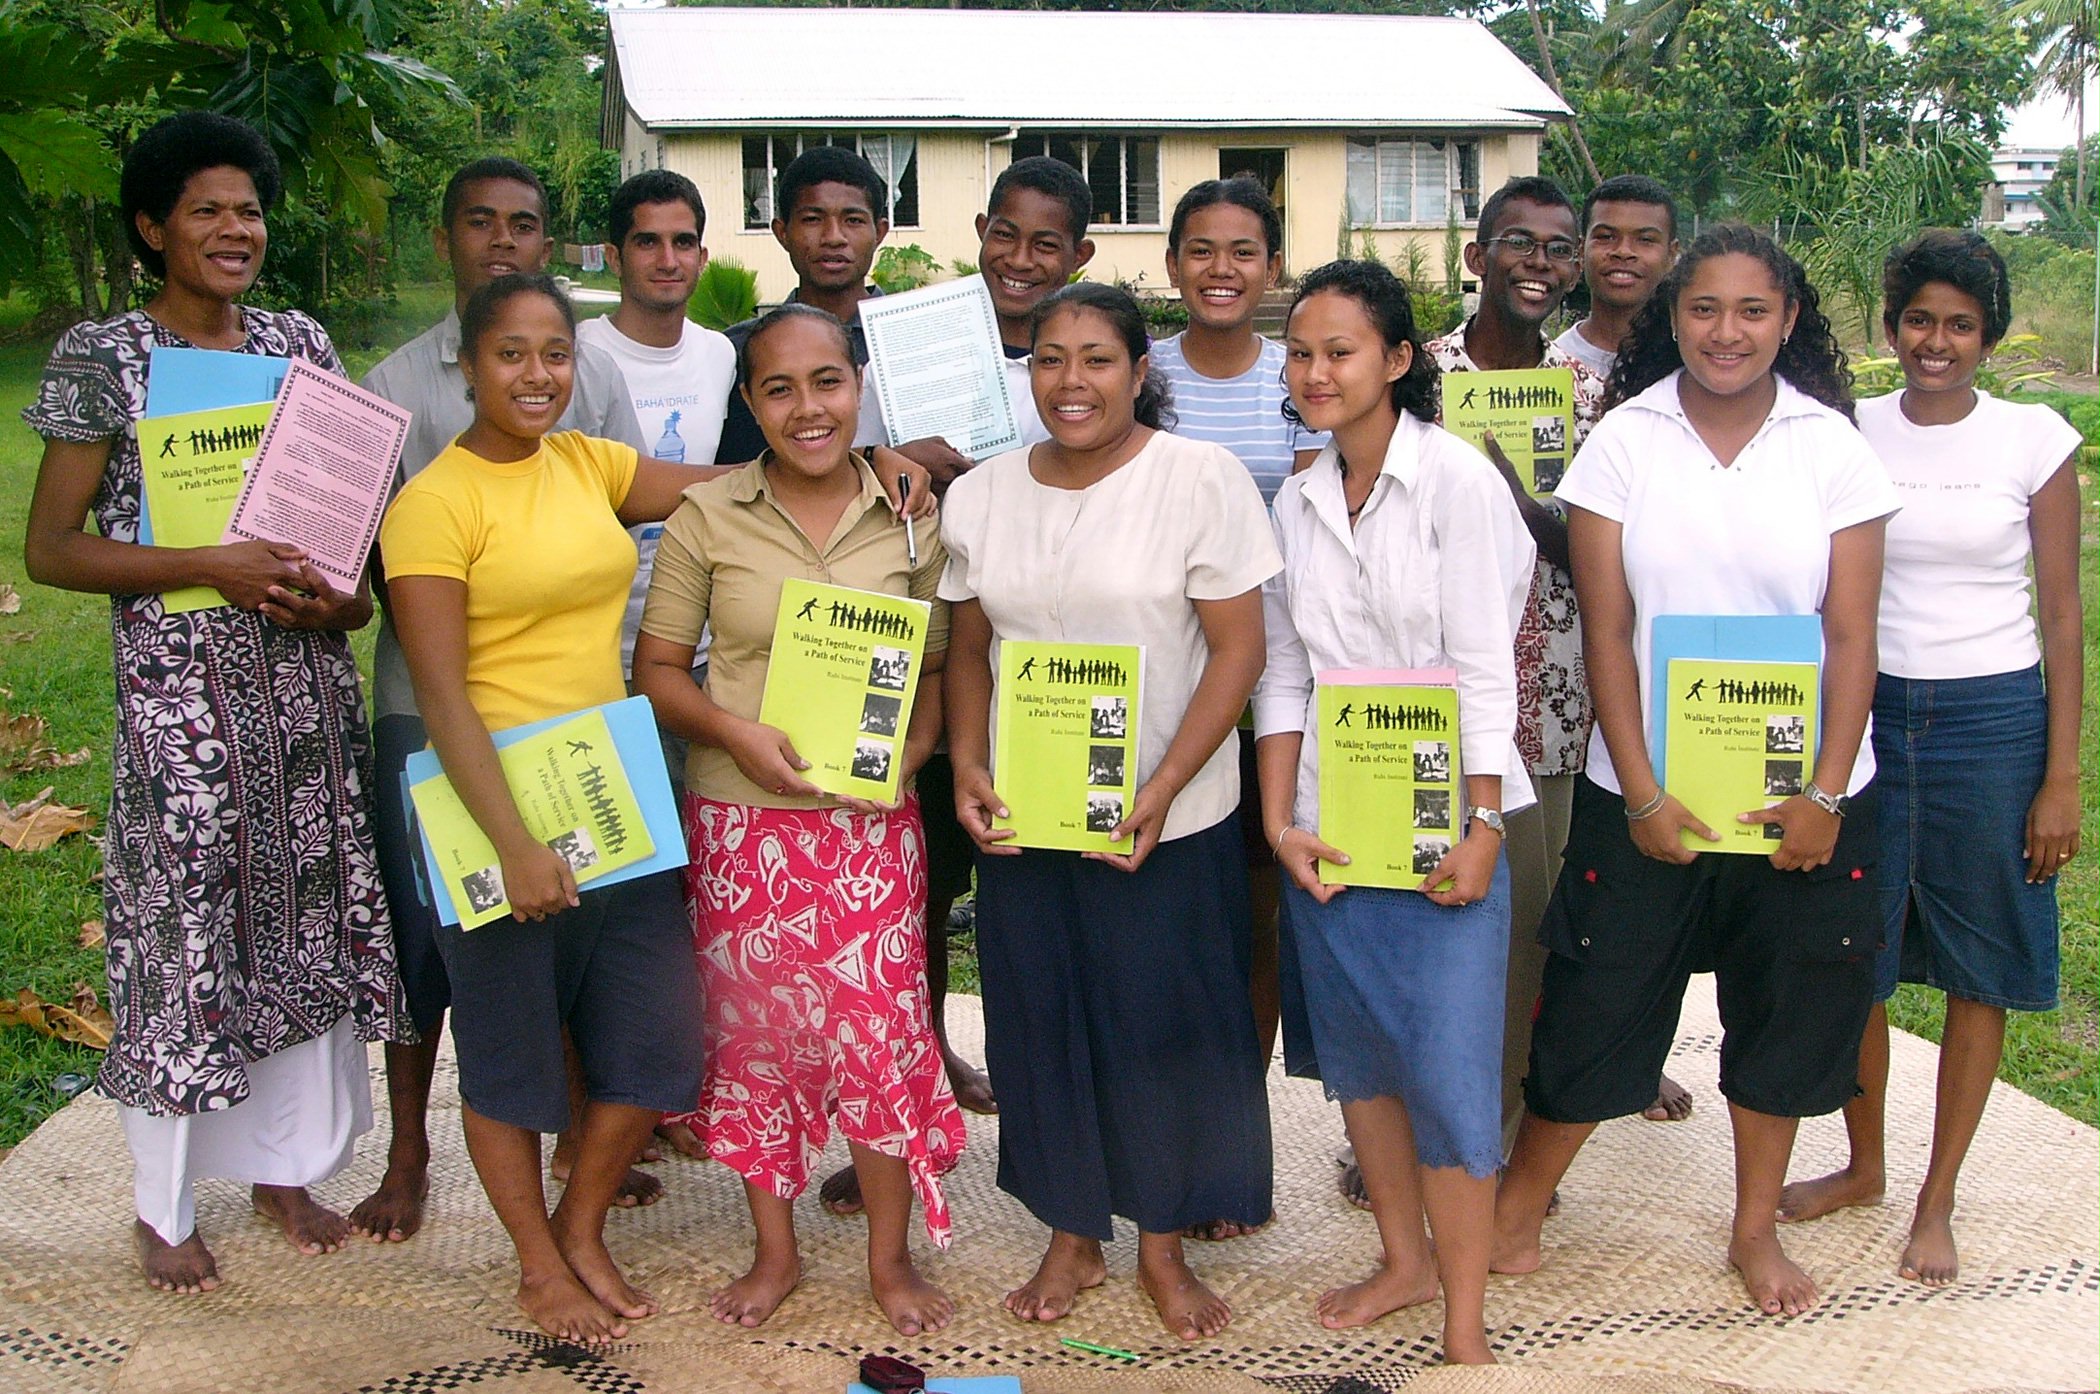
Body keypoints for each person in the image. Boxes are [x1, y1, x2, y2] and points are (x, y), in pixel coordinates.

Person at [21, 111, 405, 1294]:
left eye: (247, 208)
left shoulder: (299, 340)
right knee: (187, 938)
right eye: (206, 210)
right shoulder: (107, 358)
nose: (235, 229)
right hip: (183, 706)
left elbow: (349, 533)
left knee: (298, 930)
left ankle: (285, 1167)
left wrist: (338, 606)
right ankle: (163, 1201)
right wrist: (210, 565)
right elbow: (52, 549)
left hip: (301, 695)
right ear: (152, 227)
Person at [1491, 224, 1899, 1319]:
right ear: (1673, 319)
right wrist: (1645, 789)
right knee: (1596, 993)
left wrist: (1821, 796)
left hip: (1804, 794)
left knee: (1787, 1006)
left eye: (1752, 310)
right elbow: (1610, 627)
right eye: (1704, 309)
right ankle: (1520, 1204)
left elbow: (1852, 636)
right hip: (1649, 790)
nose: (1727, 332)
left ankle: (1753, 1225)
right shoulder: (1625, 440)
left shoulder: (1833, 449)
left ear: (1789, 320)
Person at [942, 282, 1280, 1342]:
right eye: (1049, 358)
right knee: (1040, 1016)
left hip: (1165, 815)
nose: (1071, 381)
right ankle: (1070, 1228)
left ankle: (1164, 1245)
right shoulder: (984, 493)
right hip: (1028, 814)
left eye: (1097, 359)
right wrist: (967, 767)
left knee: (1160, 1027)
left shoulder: (1201, 479)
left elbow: (1239, 650)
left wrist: (1165, 784)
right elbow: (967, 653)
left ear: (1140, 371)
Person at [631, 304, 966, 1337]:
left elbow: (941, 663)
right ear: (749, 403)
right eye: (777, 388)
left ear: (858, 384)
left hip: (868, 825)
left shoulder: (911, 511)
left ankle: (888, 1254)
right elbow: (656, 670)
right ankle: (772, 1251)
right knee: (758, 1038)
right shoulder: (708, 517)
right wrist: (734, 730)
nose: (805, 406)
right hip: (745, 823)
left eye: (825, 381)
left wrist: (914, 751)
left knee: (878, 1030)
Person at [354, 157, 656, 1240]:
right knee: (436, 945)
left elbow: (629, 491)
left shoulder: (587, 379)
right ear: (445, 239)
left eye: (522, 222)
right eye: (477, 221)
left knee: (566, 942)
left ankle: (580, 1137)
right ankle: (407, 1150)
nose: (501, 240)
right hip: (432, 710)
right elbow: (362, 566)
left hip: (575, 719)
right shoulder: (387, 388)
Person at [1776, 230, 2084, 1286]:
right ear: (1892, 325)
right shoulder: (1845, 432)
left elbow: (2063, 610)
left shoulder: (2034, 439)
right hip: (1863, 715)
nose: (1935, 342)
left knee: (1977, 960)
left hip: (1993, 721)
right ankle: (1863, 1164)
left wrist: (2061, 773)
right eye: (1918, 319)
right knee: (1855, 941)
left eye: (1958, 324)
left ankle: (1936, 1194)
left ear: (1987, 335)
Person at [1255, 259, 1534, 1362]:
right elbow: (1284, 674)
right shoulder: (1299, 494)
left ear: (1399, 360)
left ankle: (1463, 1321)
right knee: (1365, 1060)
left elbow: (1483, 668)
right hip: (1334, 825)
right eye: (1302, 352)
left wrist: (1484, 828)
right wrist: (1281, 822)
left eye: (1341, 350)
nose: (1317, 372)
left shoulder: (1457, 484)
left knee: (1452, 1069)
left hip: (1448, 827)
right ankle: (1404, 1261)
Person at [1148, 176, 1328, 1242]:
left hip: (1278, 682)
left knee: (1255, 920)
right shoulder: (1138, 375)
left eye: (1244, 251)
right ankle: (1155, 1129)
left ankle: (1228, 1137)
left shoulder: (1297, 377)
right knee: (1179, 916)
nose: (1222, 268)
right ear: (1173, 265)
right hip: (1164, 682)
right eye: (1201, 249)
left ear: (1271, 268)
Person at [1552, 175, 1680, 380]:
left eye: (1645, 239)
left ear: (1671, 255)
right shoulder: (1552, 365)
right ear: (1581, 249)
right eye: (1606, 237)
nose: (1623, 251)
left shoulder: (1690, 363)